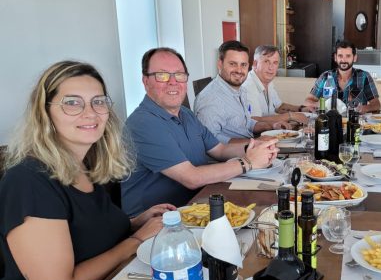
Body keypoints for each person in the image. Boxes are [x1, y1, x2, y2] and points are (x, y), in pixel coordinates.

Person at [0, 61, 173, 280]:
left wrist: (136, 222)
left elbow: (85, 232)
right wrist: (135, 240)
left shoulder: (89, 165)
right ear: (45, 112)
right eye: (72, 103)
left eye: (98, 102)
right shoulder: (29, 180)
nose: (90, 113)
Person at [122, 47, 278, 216]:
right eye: (162, 75)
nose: (173, 82)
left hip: (198, 204)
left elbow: (220, 150)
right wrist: (248, 162)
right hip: (159, 222)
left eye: (179, 75)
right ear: (146, 81)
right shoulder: (143, 123)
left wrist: (256, 147)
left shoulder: (185, 113)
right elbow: (191, 178)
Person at [195, 41, 295, 142]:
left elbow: (247, 123)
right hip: (238, 150)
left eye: (243, 65)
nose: (239, 70)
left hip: (249, 144)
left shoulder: (240, 90)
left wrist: (271, 126)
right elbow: (210, 142)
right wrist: (255, 143)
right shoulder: (210, 98)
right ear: (220, 64)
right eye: (232, 64)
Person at [303, 41, 380, 113]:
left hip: (354, 120)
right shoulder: (325, 76)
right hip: (329, 120)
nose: (343, 60)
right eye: (340, 56)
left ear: (354, 58)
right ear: (335, 57)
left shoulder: (364, 76)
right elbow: (307, 101)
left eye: (348, 56)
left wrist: (364, 108)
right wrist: (322, 104)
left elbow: (377, 104)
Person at [243, 45, 309, 126]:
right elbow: (253, 121)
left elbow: (279, 106)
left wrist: (302, 108)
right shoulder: (248, 86)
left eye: (275, 63)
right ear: (255, 64)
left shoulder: (268, 81)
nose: (271, 68)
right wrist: (290, 116)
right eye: (266, 61)